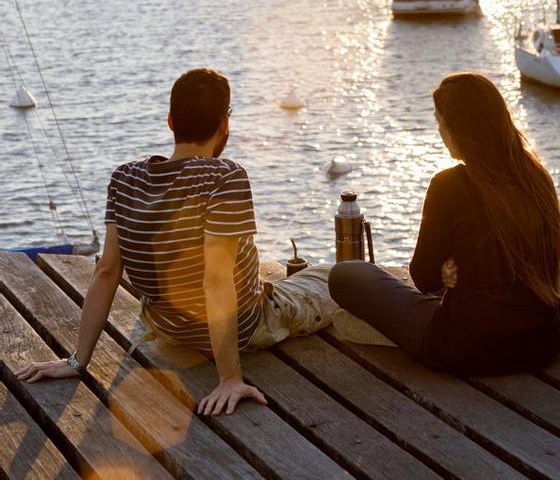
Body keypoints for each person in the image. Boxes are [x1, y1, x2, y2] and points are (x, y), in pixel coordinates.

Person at [17, 68, 337, 415]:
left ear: (170, 121)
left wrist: (77, 360)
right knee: (335, 276)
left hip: (168, 327)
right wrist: (230, 377)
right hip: (249, 324)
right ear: (223, 125)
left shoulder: (125, 178)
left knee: (256, 270)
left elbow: (107, 272)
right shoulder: (226, 176)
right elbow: (215, 281)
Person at [329, 72, 560, 375]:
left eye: (441, 123)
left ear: (461, 129)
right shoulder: (536, 177)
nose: (440, 132)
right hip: (542, 344)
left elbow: (424, 279)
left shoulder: (449, 185)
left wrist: (446, 268)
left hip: (465, 348)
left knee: (346, 274)